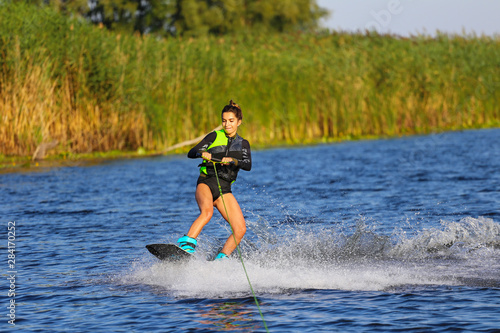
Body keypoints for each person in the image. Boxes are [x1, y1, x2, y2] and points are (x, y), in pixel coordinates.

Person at [177, 100, 252, 260]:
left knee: (240, 229)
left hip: (224, 190)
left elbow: (247, 165)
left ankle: (221, 260)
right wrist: (201, 153)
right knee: (207, 212)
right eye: (224, 121)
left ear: (239, 122)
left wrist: (232, 160)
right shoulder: (214, 136)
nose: (227, 124)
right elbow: (192, 152)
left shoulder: (243, 144)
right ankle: (186, 245)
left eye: (231, 121)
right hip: (206, 182)